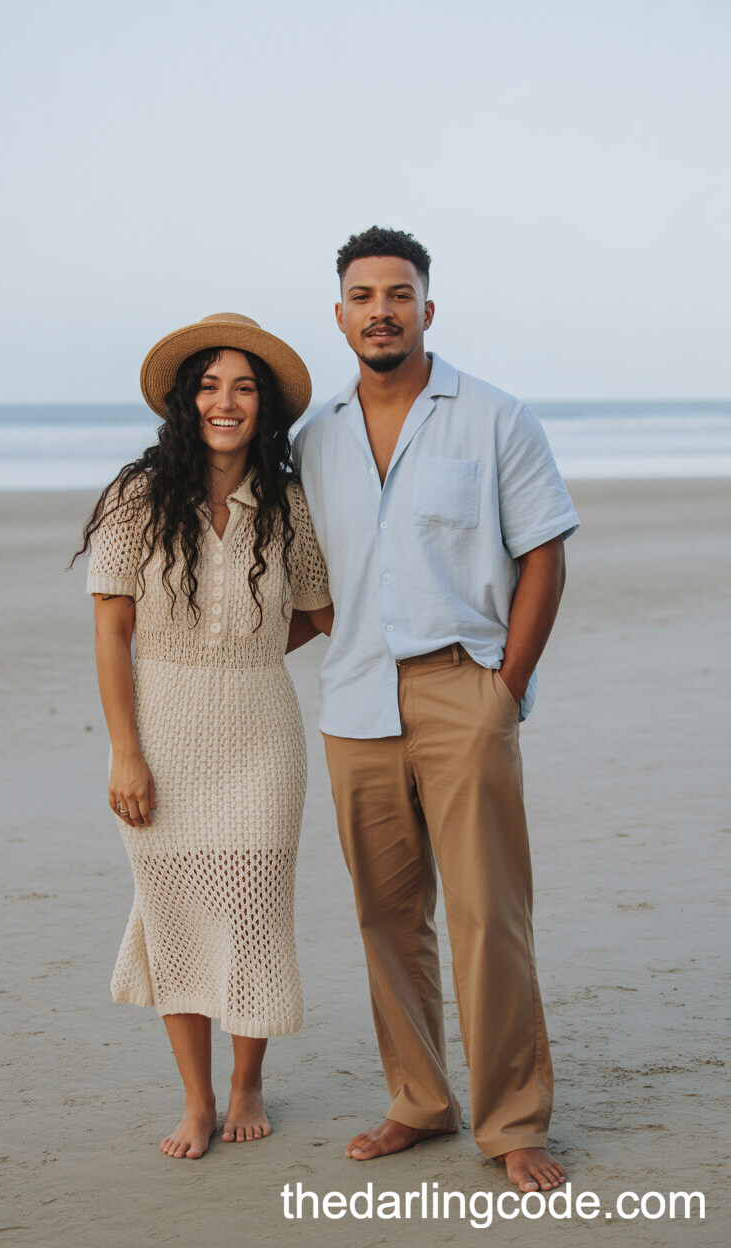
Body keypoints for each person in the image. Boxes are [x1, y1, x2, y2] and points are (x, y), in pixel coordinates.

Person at [293, 227, 579, 1193]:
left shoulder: (495, 416)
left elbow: (543, 553)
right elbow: (309, 578)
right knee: (384, 915)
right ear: (339, 316)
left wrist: (503, 693)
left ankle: (513, 1123)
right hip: (353, 698)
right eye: (363, 295)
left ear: (427, 308)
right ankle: (418, 1100)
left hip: (464, 689)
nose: (382, 309)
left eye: (400, 293)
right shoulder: (313, 436)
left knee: (486, 914)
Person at [75, 313, 332, 1160]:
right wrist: (125, 751)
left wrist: (250, 651)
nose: (227, 401)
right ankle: (196, 1098)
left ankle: (249, 1081)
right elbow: (113, 633)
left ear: (265, 407)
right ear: (187, 401)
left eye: (245, 387)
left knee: (254, 904)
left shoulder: (287, 503)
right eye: (211, 386)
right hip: (163, 730)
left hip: (262, 729)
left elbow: (318, 613)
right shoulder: (137, 498)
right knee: (176, 909)